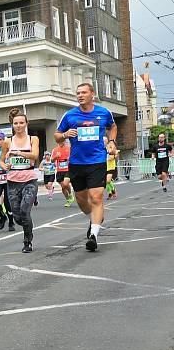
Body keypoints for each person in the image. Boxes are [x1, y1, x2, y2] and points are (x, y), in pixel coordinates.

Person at [55, 82, 117, 252]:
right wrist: (65, 135)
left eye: (83, 92)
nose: (80, 95)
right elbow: (57, 135)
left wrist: (111, 141)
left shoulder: (103, 112)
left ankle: (94, 235)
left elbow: (112, 126)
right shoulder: (69, 115)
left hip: (97, 161)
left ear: (92, 94)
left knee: (96, 197)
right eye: (78, 93)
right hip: (76, 163)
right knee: (82, 200)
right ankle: (95, 217)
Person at [1, 108, 39, 253]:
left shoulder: (33, 139)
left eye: (21, 123)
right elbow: (1, 161)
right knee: (17, 217)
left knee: (24, 211)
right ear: (12, 125)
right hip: (13, 181)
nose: (18, 125)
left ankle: (27, 241)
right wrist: (6, 166)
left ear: (26, 124)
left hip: (29, 179)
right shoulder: (7, 141)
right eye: (16, 123)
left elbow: (34, 155)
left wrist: (18, 152)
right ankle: (28, 229)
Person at [51, 139, 74, 207]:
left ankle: (70, 193)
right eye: (59, 141)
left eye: (62, 141)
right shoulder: (55, 150)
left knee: (65, 184)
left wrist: (70, 159)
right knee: (63, 187)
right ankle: (68, 200)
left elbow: (74, 157)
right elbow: (52, 161)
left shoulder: (69, 148)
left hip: (68, 169)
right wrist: (56, 157)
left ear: (64, 141)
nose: (61, 142)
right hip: (59, 170)